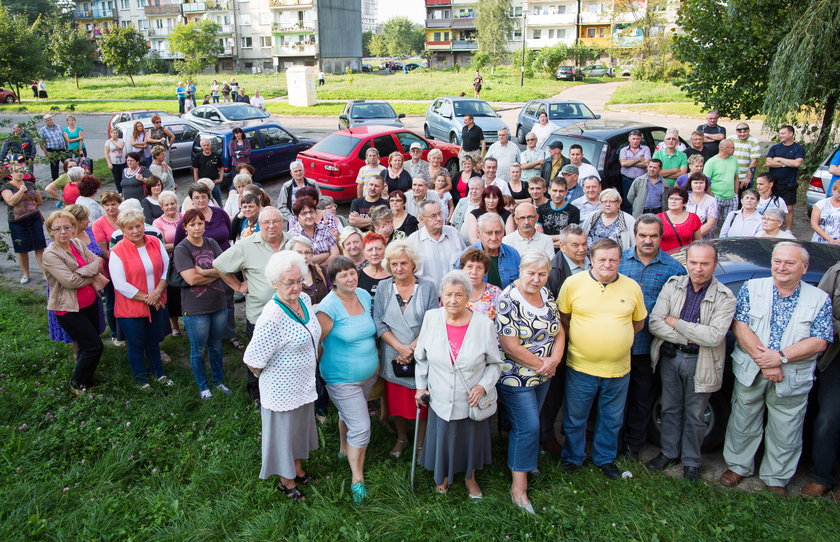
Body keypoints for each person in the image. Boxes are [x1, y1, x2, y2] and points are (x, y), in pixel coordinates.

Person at [719, 242, 832, 495]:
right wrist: (766, 361)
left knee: (786, 428)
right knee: (743, 419)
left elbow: (820, 340)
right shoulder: (752, 287)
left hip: (791, 374)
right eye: (777, 261)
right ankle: (738, 466)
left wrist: (779, 358)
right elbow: (740, 325)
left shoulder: (819, 299)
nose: (781, 267)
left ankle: (776, 477)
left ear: (804, 268)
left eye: (789, 263)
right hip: (752, 368)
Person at [646, 241, 737, 481]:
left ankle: (691, 462)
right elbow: (655, 322)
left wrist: (677, 323)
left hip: (702, 361)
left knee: (696, 414)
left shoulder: (725, 297)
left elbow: (714, 336)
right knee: (670, 408)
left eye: (704, 263)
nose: (698, 268)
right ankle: (668, 453)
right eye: (694, 262)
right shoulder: (673, 285)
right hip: (670, 356)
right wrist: (687, 337)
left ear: (714, 265)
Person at [558, 238, 647, 480]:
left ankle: (604, 459)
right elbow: (564, 318)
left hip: (618, 370)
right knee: (575, 418)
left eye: (613, 260)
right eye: (602, 260)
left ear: (620, 260)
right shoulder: (572, 284)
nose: (607, 264)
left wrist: (617, 338)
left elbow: (637, 323)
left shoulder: (632, 288)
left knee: (611, 419)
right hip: (580, 366)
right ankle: (573, 458)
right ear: (591, 260)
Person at [414, 270, 502, 499]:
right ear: (441, 295)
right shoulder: (431, 318)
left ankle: (469, 478)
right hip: (440, 395)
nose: (453, 300)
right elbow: (421, 358)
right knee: (443, 437)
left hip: (471, 397)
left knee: (471, 438)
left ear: (467, 297)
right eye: (448, 294)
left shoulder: (484, 325)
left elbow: (495, 364)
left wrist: (483, 386)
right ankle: (443, 476)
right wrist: (420, 387)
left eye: (459, 295)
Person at [244, 250, 321, 503]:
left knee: (299, 430)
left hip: (304, 384)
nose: (296, 286)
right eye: (290, 282)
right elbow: (253, 360)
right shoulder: (272, 315)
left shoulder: (305, 301)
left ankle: (297, 469)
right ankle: (285, 480)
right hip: (281, 389)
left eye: (299, 280)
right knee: (283, 434)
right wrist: (274, 377)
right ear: (275, 283)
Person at [496, 251, 565, 512]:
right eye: (531, 273)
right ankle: (518, 489)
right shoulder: (508, 300)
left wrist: (554, 360)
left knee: (529, 424)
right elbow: (510, 346)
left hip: (544, 373)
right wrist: (543, 365)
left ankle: (524, 460)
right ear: (520, 271)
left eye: (542, 274)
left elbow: (559, 331)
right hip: (516, 375)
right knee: (528, 426)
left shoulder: (546, 294)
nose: (536, 279)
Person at [618, 214, 687, 460]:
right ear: (634, 235)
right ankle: (611, 443)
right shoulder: (619, 261)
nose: (647, 240)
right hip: (617, 345)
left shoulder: (674, 268)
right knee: (614, 398)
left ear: (660, 237)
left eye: (653, 236)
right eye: (643, 235)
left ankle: (632, 447)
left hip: (649, 347)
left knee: (641, 398)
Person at [315, 256, 379, 503]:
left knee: (348, 414)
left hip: (367, 375)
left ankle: (344, 447)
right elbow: (317, 344)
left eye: (352, 272)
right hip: (341, 377)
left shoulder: (363, 295)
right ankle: (357, 478)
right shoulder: (328, 308)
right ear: (333, 281)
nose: (350, 278)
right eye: (343, 275)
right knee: (362, 427)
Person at [215, 207, 292, 401]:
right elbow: (219, 264)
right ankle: (257, 397)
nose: (271, 226)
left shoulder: (293, 242)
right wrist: (238, 285)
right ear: (259, 224)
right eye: (266, 222)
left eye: (275, 221)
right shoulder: (247, 245)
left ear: (283, 222)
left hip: (291, 314)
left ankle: (284, 392)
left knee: (287, 357)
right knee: (258, 358)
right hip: (260, 315)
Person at [373, 241, 439, 459]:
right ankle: (402, 438)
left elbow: (433, 321)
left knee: (421, 404)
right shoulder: (383, 288)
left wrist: (412, 348)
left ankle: (421, 445)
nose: (399, 268)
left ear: (413, 264)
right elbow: (379, 322)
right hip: (394, 356)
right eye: (394, 264)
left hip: (420, 355)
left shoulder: (428, 287)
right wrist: (400, 348)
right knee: (398, 404)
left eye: (403, 263)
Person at [42, 209, 106, 392]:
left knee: (88, 346)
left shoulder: (77, 243)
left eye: (67, 227)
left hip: (90, 302)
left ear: (73, 228)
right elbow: (69, 282)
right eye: (57, 229)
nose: (63, 232)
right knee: (94, 347)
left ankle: (87, 379)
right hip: (69, 309)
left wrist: (82, 272)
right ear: (50, 231)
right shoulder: (50, 254)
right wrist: (89, 271)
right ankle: (77, 384)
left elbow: (98, 262)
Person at [109, 208, 173, 389]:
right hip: (131, 308)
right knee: (136, 344)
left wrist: (157, 292)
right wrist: (148, 298)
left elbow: (166, 269)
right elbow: (120, 284)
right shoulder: (117, 251)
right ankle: (141, 380)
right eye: (130, 228)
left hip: (157, 301)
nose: (135, 231)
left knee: (154, 341)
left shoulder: (154, 242)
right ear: (122, 229)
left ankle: (159, 374)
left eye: (138, 226)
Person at [173, 208, 229, 398]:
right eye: (192, 224)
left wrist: (204, 273)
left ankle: (219, 381)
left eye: (200, 223)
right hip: (196, 309)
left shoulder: (212, 242)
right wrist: (215, 274)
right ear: (185, 227)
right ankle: (203, 386)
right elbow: (191, 280)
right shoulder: (182, 249)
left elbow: (225, 268)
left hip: (218, 303)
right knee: (198, 349)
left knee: (216, 346)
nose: (197, 227)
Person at [801, 262, 840, 498]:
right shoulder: (836, 272)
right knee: (828, 419)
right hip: (837, 359)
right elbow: (820, 310)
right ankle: (822, 477)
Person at [1, 162, 45, 283]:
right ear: (11, 173)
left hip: (34, 218)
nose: (19, 173)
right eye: (16, 171)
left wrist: (36, 203)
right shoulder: (6, 187)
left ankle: (44, 272)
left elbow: (39, 200)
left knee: (39, 246)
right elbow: (11, 202)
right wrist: (21, 191)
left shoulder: (30, 184)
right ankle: (25, 273)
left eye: (21, 171)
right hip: (17, 221)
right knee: (21, 249)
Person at [407, 201, 465, 285]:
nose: (439, 218)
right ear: (421, 219)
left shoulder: (454, 233)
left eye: (440, 214)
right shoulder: (413, 241)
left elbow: (465, 262)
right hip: (429, 295)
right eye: (433, 216)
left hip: (455, 293)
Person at [766, 125, 806, 230]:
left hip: (789, 183)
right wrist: (787, 163)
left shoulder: (798, 148)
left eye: (783, 133)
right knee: (773, 207)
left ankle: (788, 230)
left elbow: (797, 163)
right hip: (774, 182)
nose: (780, 136)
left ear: (791, 134)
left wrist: (779, 159)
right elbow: (768, 162)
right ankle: (772, 227)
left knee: (789, 208)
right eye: (780, 133)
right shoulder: (775, 148)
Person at [289, 196, 338, 266]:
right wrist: (326, 254)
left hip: (328, 272)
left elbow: (335, 254)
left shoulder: (324, 229)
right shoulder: (293, 235)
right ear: (297, 217)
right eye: (304, 213)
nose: (309, 216)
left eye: (311, 212)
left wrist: (320, 269)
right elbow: (301, 261)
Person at [703, 139, 740, 228]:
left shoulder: (734, 160)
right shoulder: (711, 162)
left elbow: (736, 177)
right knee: (712, 225)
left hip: (731, 197)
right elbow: (706, 180)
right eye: (733, 147)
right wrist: (711, 195)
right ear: (725, 149)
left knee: (730, 224)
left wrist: (736, 193)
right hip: (716, 197)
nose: (734, 149)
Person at [537, 176, 581, 249]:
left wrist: (546, 241)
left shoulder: (574, 211)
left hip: (564, 252)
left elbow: (570, 238)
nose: (557, 194)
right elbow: (538, 236)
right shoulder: (541, 209)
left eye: (561, 191)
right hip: (543, 251)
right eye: (554, 190)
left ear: (566, 192)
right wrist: (561, 238)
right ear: (549, 190)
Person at [460, 248, 502, 320]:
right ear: (462, 269)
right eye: (469, 267)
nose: (474, 272)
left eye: (479, 268)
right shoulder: (453, 291)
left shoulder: (496, 293)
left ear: (485, 272)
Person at [658, 187, 702, 252]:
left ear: (685, 203)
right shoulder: (658, 218)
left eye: (677, 199)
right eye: (671, 198)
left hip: (684, 258)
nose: (673, 201)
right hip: (663, 257)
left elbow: (697, 243)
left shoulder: (694, 218)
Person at [619, 129, 651, 201]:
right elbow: (623, 163)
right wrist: (639, 159)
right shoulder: (623, 150)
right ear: (629, 139)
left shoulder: (646, 149)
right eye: (633, 139)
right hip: (627, 180)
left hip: (642, 180)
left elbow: (647, 164)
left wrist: (629, 163)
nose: (635, 141)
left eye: (637, 139)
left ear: (640, 139)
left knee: (641, 200)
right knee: (628, 200)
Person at [685, 173, 718, 240]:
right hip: (684, 235)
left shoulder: (711, 200)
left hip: (703, 238)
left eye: (701, 183)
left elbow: (710, 223)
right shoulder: (685, 198)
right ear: (690, 184)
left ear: (705, 184)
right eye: (696, 183)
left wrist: (694, 237)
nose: (698, 185)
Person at [192, 138, 224, 207]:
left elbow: (221, 168)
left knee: (218, 201)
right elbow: (195, 171)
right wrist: (196, 183)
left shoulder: (216, 156)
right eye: (204, 145)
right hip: (202, 183)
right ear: (201, 147)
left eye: (208, 145)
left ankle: (221, 212)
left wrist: (220, 179)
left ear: (210, 145)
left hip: (214, 182)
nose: (206, 147)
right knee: (203, 201)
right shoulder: (198, 157)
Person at [728, 123, 761, 188]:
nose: (742, 134)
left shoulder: (754, 141)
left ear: (749, 130)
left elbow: (754, 162)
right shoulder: (730, 139)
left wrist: (748, 178)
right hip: (730, 176)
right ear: (736, 131)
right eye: (740, 132)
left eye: (745, 132)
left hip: (744, 177)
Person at [357, 232, 388, 297]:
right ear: (364, 253)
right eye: (370, 250)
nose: (374, 253)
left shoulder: (394, 274)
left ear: (385, 250)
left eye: (378, 249)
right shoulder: (358, 276)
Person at [810, 179, 840, 244]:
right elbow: (814, 224)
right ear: (833, 190)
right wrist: (829, 239)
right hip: (820, 242)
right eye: (839, 192)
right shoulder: (821, 204)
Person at [38, 114, 66, 181]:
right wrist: (45, 151)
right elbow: (41, 142)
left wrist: (67, 146)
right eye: (48, 120)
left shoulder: (58, 127)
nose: (50, 121)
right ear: (45, 122)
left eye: (50, 119)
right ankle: (56, 181)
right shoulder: (42, 130)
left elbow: (64, 136)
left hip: (62, 150)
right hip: (52, 151)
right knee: (54, 167)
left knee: (68, 163)